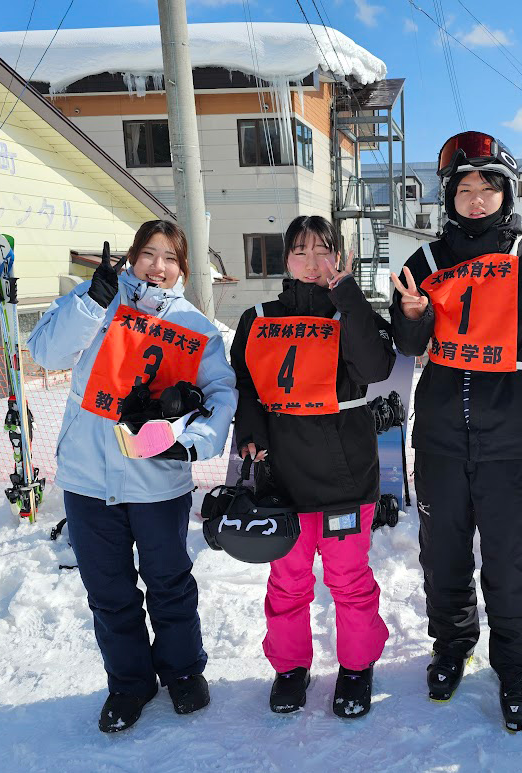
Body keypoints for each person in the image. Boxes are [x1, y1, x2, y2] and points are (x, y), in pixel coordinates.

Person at [389, 131, 522, 732]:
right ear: (448, 196)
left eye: (488, 186)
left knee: (509, 559)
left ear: (506, 190)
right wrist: (413, 316)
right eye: (464, 188)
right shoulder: (423, 263)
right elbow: (405, 347)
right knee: (442, 555)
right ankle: (451, 646)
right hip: (443, 439)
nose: (477, 199)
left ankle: (517, 667)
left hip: (513, 439)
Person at [28, 220, 236, 733]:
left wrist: (189, 442)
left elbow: (221, 396)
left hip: (157, 480)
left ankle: (184, 672)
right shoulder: (97, 299)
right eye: (148, 253)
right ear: (132, 257)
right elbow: (45, 353)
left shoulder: (196, 327)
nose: (158, 266)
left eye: (170, 257)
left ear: (183, 270)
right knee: (108, 589)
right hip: (87, 477)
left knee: (169, 583)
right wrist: (91, 301)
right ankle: (129, 682)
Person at [230, 215, 394, 718]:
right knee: (288, 581)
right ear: (286, 259)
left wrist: (345, 293)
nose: (311, 262)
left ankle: (357, 666)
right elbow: (246, 386)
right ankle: (290, 667)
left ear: (338, 257)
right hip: (284, 476)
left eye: (323, 250)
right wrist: (252, 434)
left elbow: (377, 368)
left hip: (346, 473)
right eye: (299, 251)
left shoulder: (352, 312)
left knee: (350, 580)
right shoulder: (257, 316)